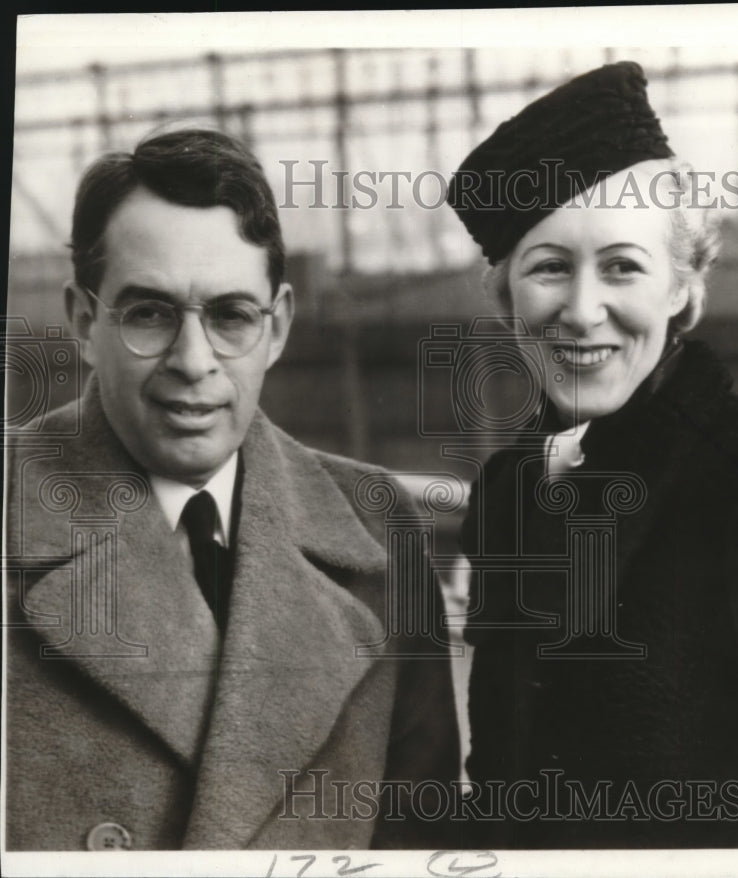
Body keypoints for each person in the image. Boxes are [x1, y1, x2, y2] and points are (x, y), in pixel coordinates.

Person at [4, 128, 458, 850]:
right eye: (149, 314)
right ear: (85, 323)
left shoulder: (377, 533)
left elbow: (423, 847)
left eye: (229, 317)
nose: (193, 361)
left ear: (275, 327)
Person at [446, 62, 738, 848]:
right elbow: (496, 768)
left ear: (682, 288)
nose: (583, 311)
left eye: (623, 266)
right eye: (550, 267)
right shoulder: (508, 490)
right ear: (507, 298)